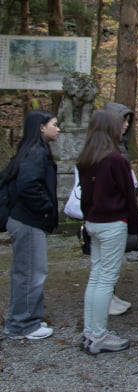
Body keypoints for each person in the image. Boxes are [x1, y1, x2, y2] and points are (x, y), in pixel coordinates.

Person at [77, 109, 138, 354]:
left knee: (96, 277)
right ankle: (99, 335)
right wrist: (137, 225)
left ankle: (90, 331)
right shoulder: (116, 160)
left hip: (93, 222)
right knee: (106, 280)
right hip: (113, 223)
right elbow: (129, 196)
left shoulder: (87, 158)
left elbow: (84, 196)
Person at [2, 110, 60, 340]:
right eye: (54, 124)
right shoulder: (36, 153)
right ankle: (22, 325)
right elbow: (28, 185)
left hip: (24, 219)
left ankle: (25, 318)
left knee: (27, 270)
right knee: (30, 272)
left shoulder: (32, 150)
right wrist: (45, 208)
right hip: (27, 220)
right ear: (41, 128)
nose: (58, 129)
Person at [102, 102, 137, 316]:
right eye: (122, 120)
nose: (125, 125)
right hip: (111, 214)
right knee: (105, 268)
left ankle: (109, 296)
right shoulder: (111, 152)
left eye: (127, 121)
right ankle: (104, 303)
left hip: (108, 214)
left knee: (107, 265)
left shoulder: (116, 146)